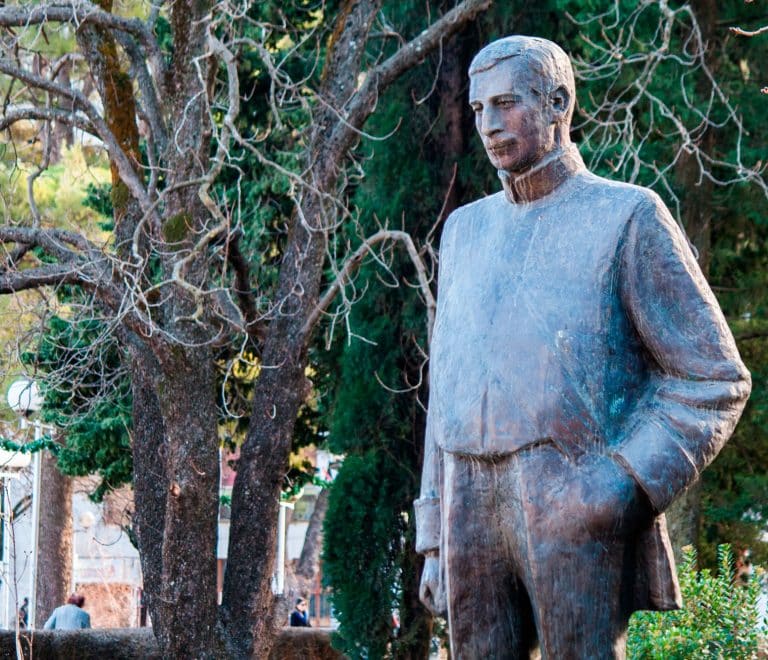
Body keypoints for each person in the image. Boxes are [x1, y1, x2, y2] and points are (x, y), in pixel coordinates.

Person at [415, 35, 751, 659]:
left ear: (558, 104)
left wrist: (616, 485)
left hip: (567, 495)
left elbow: (713, 378)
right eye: (480, 107)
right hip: (467, 502)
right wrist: (434, 535)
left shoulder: (626, 216)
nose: (488, 125)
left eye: (507, 104)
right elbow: (447, 387)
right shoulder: (464, 231)